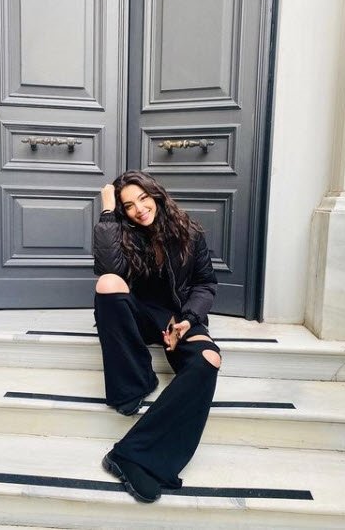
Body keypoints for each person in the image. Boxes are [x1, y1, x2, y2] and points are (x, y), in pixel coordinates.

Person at [93, 170, 221, 503]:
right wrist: (107, 213)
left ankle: (133, 455)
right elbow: (108, 268)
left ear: (156, 195)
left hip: (176, 317)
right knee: (107, 284)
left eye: (143, 198)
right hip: (136, 315)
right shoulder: (121, 231)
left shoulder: (190, 232)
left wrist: (188, 320)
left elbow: (205, 284)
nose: (139, 209)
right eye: (128, 205)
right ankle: (134, 384)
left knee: (209, 359)